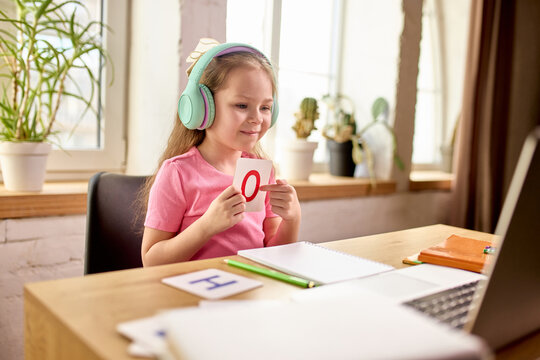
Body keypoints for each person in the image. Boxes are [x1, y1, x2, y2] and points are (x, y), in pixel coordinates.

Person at [139, 41, 301, 266]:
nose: (257, 118)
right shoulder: (177, 173)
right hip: (194, 291)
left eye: (265, 107)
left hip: (250, 291)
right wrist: (207, 226)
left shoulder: (262, 171)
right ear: (203, 108)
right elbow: (152, 261)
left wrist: (292, 220)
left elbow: (274, 255)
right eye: (242, 105)